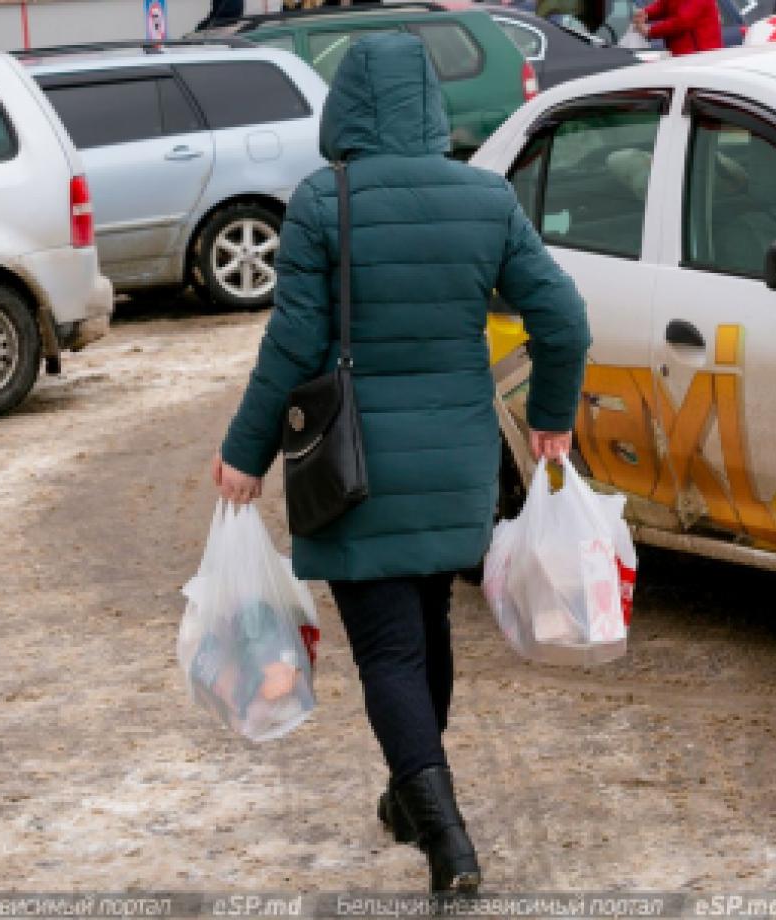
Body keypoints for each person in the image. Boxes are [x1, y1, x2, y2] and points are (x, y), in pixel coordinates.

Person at [211, 33, 590, 894]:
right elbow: (564, 321)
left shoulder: (320, 203)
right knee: (425, 634)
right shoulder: (485, 199)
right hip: (458, 466)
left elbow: (294, 344)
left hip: (353, 472)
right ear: (430, 105)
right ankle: (407, 796)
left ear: (342, 106)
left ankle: (448, 842)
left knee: (388, 652)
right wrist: (553, 421)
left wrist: (246, 453)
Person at [634, 0, 721, 55]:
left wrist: (651, 31)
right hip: (682, 53)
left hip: (699, 54)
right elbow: (664, 5)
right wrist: (646, 13)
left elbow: (682, 21)